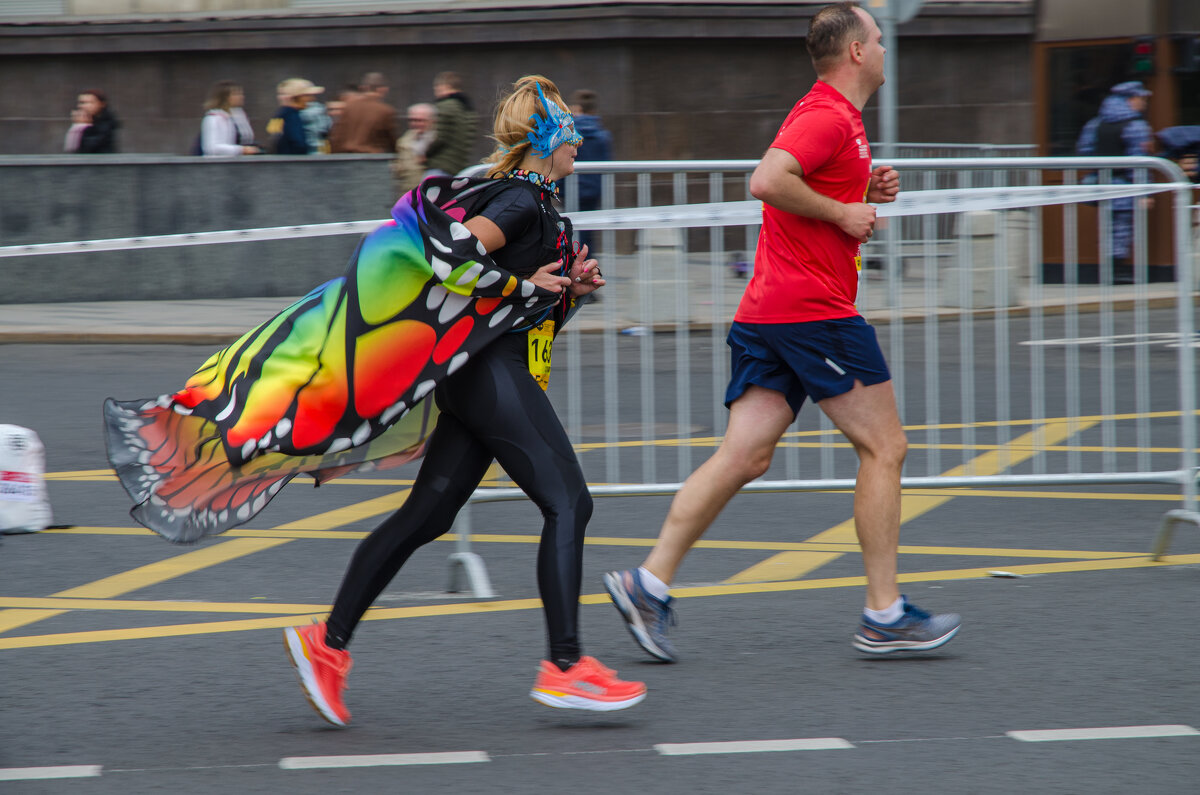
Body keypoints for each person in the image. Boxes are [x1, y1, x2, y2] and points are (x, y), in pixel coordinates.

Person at [603, 1, 960, 663]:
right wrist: (844, 214)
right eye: (878, 40)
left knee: (745, 456)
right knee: (886, 447)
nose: (884, 49)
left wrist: (863, 191)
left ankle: (646, 583)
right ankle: (883, 612)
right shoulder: (827, 115)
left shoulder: (828, 114)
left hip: (769, 310)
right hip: (812, 311)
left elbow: (808, 186)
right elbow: (767, 180)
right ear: (855, 51)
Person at [283, 74, 646, 726]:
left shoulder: (541, 205)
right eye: (570, 126)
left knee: (428, 516)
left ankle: (325, 643)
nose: (580, 138)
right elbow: (444, 254)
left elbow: (519, 306)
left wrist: (565, 293)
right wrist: (519, 285)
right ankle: (566, 666)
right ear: (550, 136)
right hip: (488, 376)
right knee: (570, 501)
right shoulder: (519, 201)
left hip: (488, 372)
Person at [1076, 80, 1155, 269]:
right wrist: (1145, 192)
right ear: (1130, 100)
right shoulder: (1136, 126)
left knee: (1107, 229)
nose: (1143, 103)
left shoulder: (1095, 124)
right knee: (1122, 230)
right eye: (1141, 98)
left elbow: (1084, 150)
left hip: (1100, 186)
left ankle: (1110, 270)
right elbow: (1140, 162)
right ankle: (1116, 271)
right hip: (1125, 188)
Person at [567, 89, 613, 253]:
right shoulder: (603, 135)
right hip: (593, 191)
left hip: (570, 189)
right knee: (588, 235)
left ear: (576, 108)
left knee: (568, 233)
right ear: (593, 110)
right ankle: (587, 270)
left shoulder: (569, 133)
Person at [328, 72, 398, 154]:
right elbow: (391, 138)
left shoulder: (349, 107)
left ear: (363, 88)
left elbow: (338, 136)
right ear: (383, 89)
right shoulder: (385, 110)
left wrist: (335, 156)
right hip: (373, 158)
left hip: (347, 157)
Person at [424, 71, 477, 176]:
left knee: (423, 192)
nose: (435, 91)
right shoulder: (468, 109)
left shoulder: (445, 106)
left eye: (437, 87)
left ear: (445, 86)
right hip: (459, 167)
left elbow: (439, 137)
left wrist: (425, 153)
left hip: (440, 166)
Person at [198, 80, 259, 157]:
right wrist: (241, 150)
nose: (241, 97)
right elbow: (211, 148)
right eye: (236, 94)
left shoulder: (239, 115)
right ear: (225, 97)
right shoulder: (214, 118)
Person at [266, 78, 324, 155]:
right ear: (295, 98)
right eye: (307, 95)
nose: (312, 99)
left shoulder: (280, 114)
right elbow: (298, 143)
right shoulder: (291, 116)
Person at [390, 102, 437, 194]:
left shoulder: (438, 141)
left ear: (432, 121)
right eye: (412, 120)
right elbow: (397, 168)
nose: (415, 124)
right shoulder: (403, 142)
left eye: (420, 120)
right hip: (409, 195)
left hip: (431, 196)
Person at [63, 89, 120, 153]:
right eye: (81, 103)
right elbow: (71, 148)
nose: (83, 106)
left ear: (101, 104)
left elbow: (88, 148)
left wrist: (82, 126)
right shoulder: (87, 120)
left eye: (89, 102)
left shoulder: (107, 124)